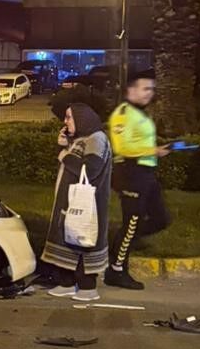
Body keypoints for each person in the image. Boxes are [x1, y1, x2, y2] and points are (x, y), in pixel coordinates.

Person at [106, 71, 171, 290]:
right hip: (130, 173)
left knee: (161, 219)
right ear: (131, 90)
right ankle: (116, 270)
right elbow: (122, 146)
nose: (149, 93)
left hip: (146, 174)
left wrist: (158, 150)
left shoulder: (140, 114)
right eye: (145, 88)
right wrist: (153, 150)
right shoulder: (123, 113)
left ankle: (121, 241)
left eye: (152, 89)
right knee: (132, 222)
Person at [42, 104, 112, 302]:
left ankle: (88, 287)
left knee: (83, 241)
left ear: (82, 118)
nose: (65, 122)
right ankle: (67, 283)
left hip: (89, 205)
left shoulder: (97, 139)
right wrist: (65, 145)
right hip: (71, 204)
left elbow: (90, 170)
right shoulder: (82, 139)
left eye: (69, 117)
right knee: (69, 240)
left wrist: (64, 154)